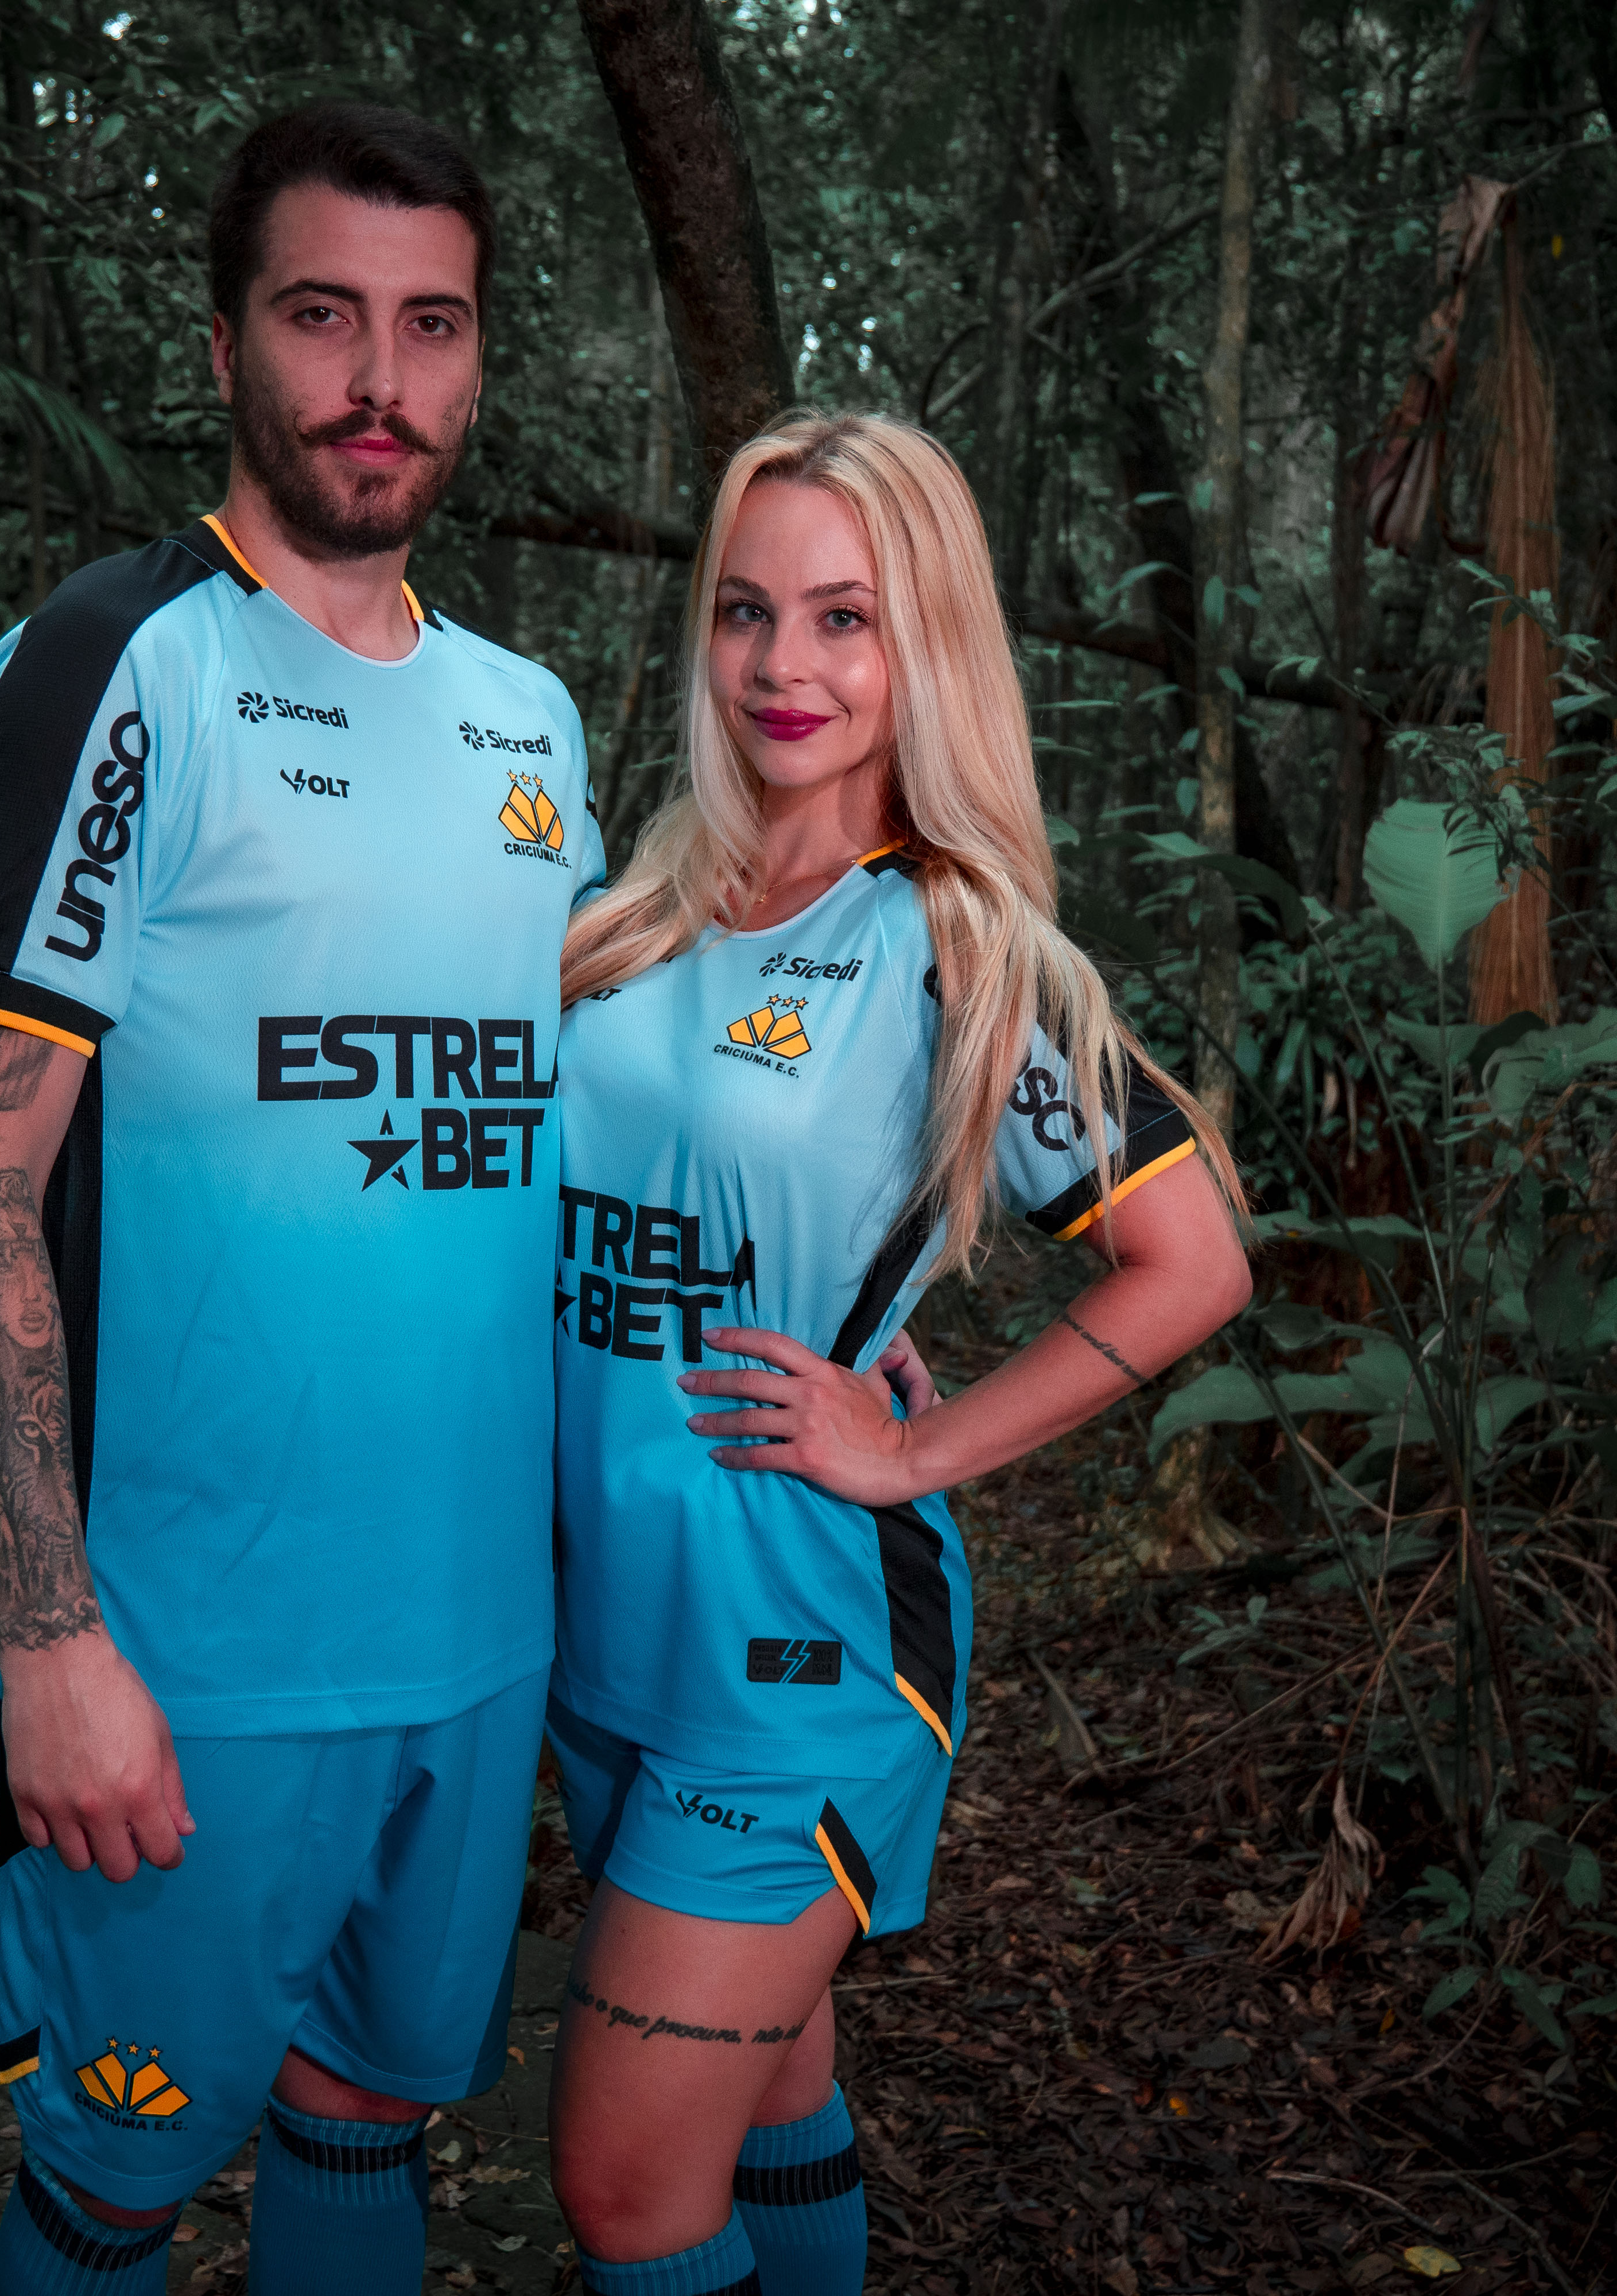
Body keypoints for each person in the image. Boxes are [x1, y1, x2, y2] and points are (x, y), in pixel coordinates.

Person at [0, 101, 602, 2296]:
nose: (379, 380)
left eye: (431, 325)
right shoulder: (118, 664)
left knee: (367, 2118)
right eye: (324, 315)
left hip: (477, 1636)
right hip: (195, 1656)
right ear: (227, 347)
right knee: (112, 2187)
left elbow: (584, 1123)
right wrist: (49, 1642)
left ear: (478, 362)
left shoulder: (532, 722)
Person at [541, 412, 1255, 2296]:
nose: (785, 665)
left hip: (798, 1639)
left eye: (845, 617)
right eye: (747, 611)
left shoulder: (960, 944)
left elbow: (1191, 1263)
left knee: (625, 2190)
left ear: (924, 641)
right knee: (772, 2094)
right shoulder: (637, 914)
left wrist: (912, 1449)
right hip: (607, 1616)